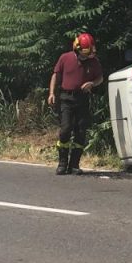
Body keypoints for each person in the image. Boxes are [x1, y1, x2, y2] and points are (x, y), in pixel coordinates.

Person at [48, 32, 103, 175]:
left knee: (80, 131)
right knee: (65, 129)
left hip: (82, 99)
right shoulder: (65, 58)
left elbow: (100, 78)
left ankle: (74, 164)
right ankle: (62, 163)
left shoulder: (94, 62)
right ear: (76, 49)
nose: (88, 56)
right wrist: (52, 93)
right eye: (85, 54)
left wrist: (92, 83)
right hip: (66, 98)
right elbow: (56, 75)